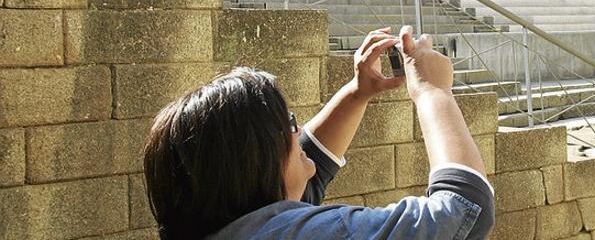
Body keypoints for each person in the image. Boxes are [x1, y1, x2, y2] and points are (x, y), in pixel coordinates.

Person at [143, 26, 494, 240]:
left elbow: (300, 185)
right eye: (288, 124)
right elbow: (463, 214)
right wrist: (433, 92)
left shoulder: (227, 224)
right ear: (256, 160)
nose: (298, 132)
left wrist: (358, 93)